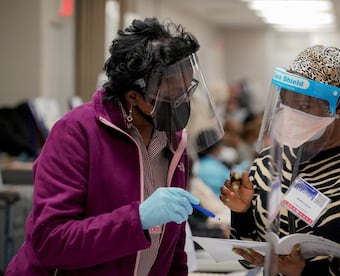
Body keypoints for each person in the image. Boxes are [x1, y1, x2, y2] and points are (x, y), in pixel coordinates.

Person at [6, 17, 224, 275]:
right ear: (133, 96)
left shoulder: (174, 142)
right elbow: (51, 240)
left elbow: (173, 250)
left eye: (187, 92)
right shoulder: (75, 133)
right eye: (172, 97)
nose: (182, 103)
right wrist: (138, 218)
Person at [220, 45, 340, 276]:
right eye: (285, 103)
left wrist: (306, 270)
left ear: (338, 105)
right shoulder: (268, 162)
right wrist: (242, 213)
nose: (290, 115)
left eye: (303, 106)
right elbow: (249, 262)